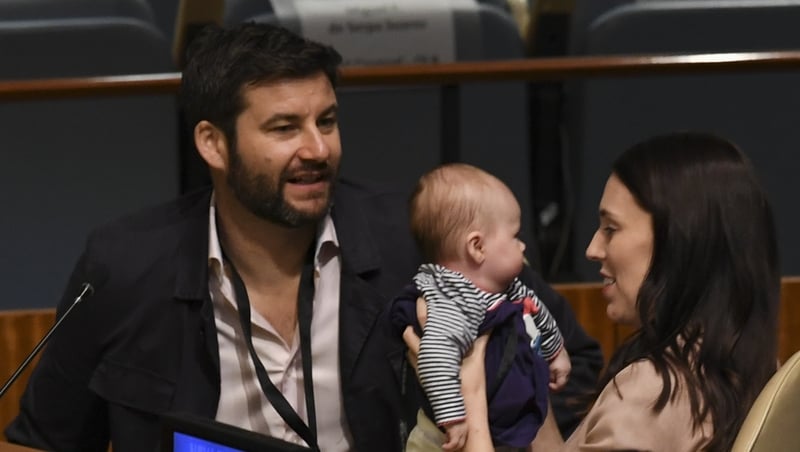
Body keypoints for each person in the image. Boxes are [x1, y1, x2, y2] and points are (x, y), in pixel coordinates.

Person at [4, 22, 602, 452]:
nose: (317, 150)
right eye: (284, 127)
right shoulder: (124, 265)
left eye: (328, 121)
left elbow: (572, 364)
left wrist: (491, 422)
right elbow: (43, 441)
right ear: (213, 143)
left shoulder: (417, 237)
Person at [526, 131, 780, 451]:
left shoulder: (650, 394)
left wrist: (475, 404)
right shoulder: (754, 365)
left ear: (679, 243)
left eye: (611, 229)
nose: (592, 249)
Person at [391, 163, 571, 451]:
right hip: (444, 440)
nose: (523, 246)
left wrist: (556, 353)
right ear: (477, 247)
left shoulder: (507, 289)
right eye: (514, 236)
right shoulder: (450, 303)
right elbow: (434, 360)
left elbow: (537, 311)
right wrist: (453, 417)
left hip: (507, 430)